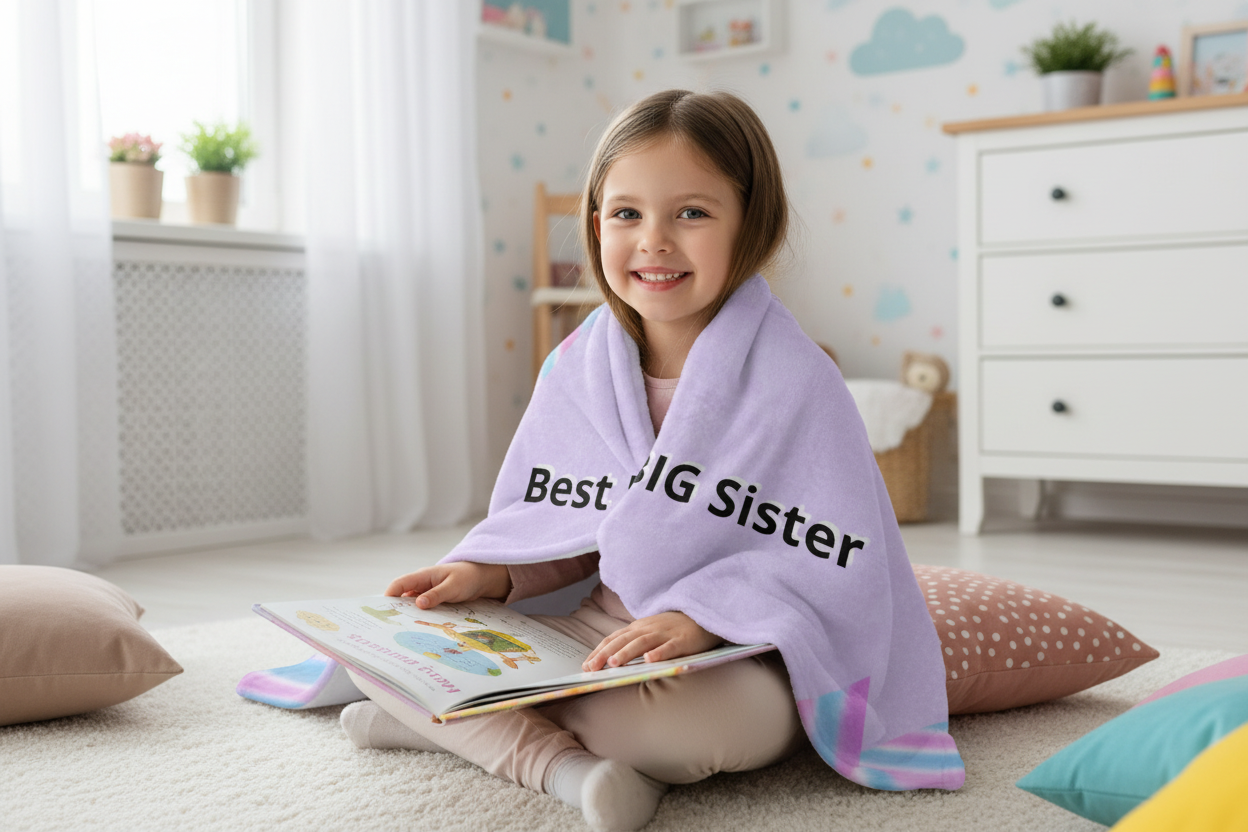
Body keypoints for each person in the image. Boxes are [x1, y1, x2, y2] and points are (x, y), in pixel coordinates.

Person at [338, 88, 961, 832]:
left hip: (735, 654)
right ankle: (570, 773)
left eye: (691, 213)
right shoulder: (578, 368)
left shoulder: (797, 380)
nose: (653, 241)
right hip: (592, 635)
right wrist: (491, 574)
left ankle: (443, 725)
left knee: (690, 729)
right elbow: (561, 525)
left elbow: (826, 557)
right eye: (627, 213)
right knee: (376, 648)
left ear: (750, 223)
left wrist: (702, 617)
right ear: (597, 223)